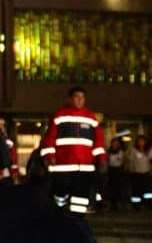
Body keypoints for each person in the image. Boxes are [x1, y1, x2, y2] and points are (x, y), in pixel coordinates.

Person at [40, 86, 106, 216]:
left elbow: (98, 140)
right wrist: (50, 156)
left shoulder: (91, 118)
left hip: (85, 167)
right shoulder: (59, 115)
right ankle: (58, 215)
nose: (80, 100)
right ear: (70, 99)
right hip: (62, 165)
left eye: (82, 97)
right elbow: (49, 139)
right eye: (77, 97)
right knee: (60, 194)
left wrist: (101, 158)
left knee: (80, 196)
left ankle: (78, 219)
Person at [126, 134, 151, 209]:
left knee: (147, 190)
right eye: (140, 141)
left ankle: (148, 203)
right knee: (136, 190)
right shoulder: (134, 150)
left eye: (143, 141)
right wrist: (131, 170)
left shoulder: (149, 150)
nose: (141, 142)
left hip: (146, 173)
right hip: (136, 173)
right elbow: (131, 161)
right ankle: (136, 204)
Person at [105, 136, 127, 210]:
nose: (115, 144)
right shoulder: (108, 151)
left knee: (120, 188)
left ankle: (121, 203)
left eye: (117, 143)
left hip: (119, 171)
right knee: (112, 188)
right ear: (111, 144)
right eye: (114, 143)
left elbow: (122, 161)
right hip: (111, 171)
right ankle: (113, 204)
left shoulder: (121, 151)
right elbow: (107, 161)